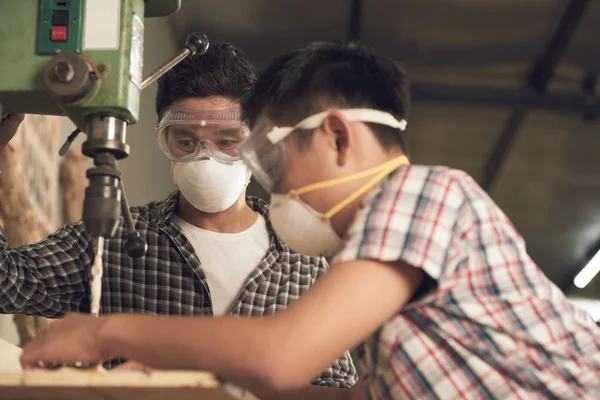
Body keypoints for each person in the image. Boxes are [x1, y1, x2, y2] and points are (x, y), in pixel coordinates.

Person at [20, 42, 600, 399]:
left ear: (337, 136)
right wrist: (190, 384)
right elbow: (345, 396)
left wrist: (102, 333)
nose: (276, 184)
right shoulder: (379, 296)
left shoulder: (428, 195)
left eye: (271, 159)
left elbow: (282, 355)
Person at [0, 42, 356, 387]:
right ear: (164, 141)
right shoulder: (112, 239)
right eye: (185, 141)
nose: (206, 156)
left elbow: (336, 385)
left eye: (228, 141)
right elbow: (8, 282)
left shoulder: (301, 263)